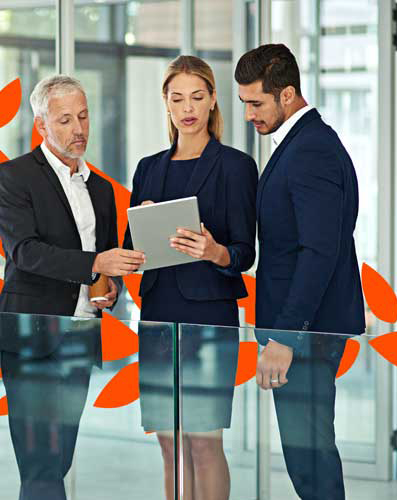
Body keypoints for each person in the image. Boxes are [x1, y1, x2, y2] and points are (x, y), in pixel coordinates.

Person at [0, 74, 146, 500]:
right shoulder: (14, 177)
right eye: (65, 120)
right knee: (40, 463)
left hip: (79, 335)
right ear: (41, 125)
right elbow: (25, 252)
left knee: (59, 460)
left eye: (83, 117)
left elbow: (104, 263)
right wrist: (95, 264)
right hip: (31, 336)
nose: (79, 129)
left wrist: (110, 287)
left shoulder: (101, 188)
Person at [236, 43, 366, 500]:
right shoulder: (301, 143)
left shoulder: (310, 149)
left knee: (310, 461)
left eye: (256, 103)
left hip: (304, 335)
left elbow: (318, 251)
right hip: (301, 333)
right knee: (306, 459)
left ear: (287, 94)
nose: (249, 114)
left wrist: (283, 337)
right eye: (244, 103)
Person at [127, 55, 257, 500]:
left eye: (198, 97)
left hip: (208, 317)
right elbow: (133, 251)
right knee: (169, 443)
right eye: (178, 98)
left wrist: (214, 250)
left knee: (204, 442)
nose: (188, 107)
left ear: (213, 100)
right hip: (159, 315)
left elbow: (244, 252)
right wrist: (139, 228)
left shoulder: (236, 166)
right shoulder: (148, 168)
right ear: (165, 103)